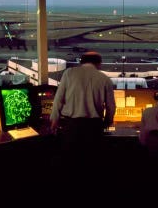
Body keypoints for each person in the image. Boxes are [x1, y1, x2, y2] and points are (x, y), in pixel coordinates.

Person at [49, 51, 115, 201]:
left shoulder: (69, 73)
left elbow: (58, 99)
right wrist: (107, 122)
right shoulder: (104, 78)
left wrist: (54, 120)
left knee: (70, 166)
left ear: (81, 61)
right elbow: (111, 106)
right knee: (91, 167)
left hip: (71, 126)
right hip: (93, 128)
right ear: (98, 63)